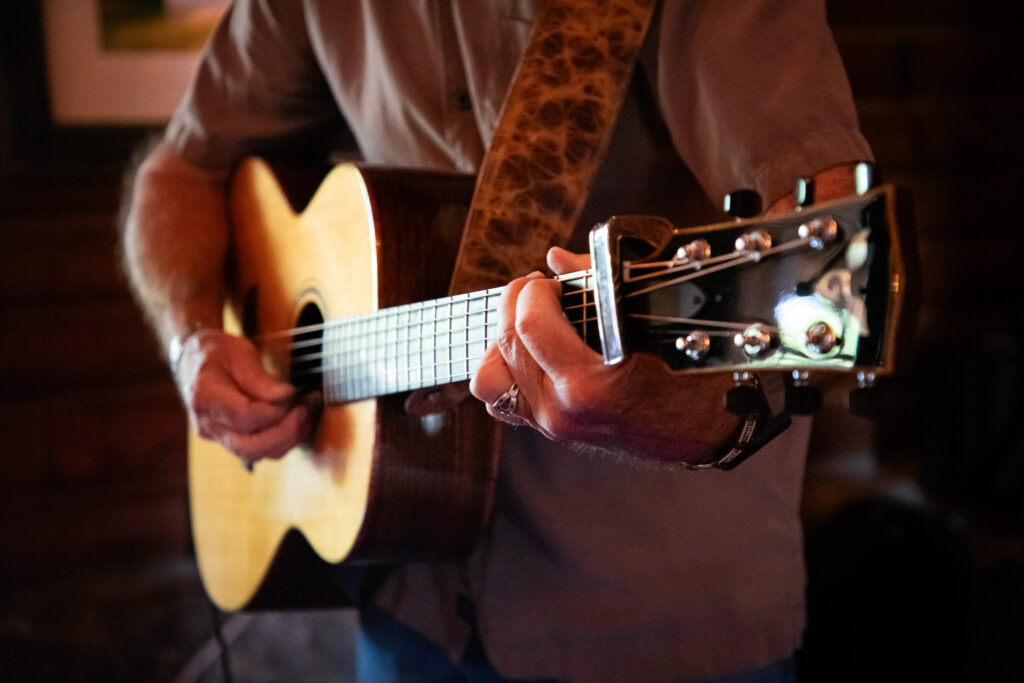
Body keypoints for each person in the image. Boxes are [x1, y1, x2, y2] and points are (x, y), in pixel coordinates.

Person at [121, 1, 874, 680]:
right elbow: (181, 173)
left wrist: (678, 409)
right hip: (407, 601)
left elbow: (837, 269)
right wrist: (192, 336)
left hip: (648, 625)